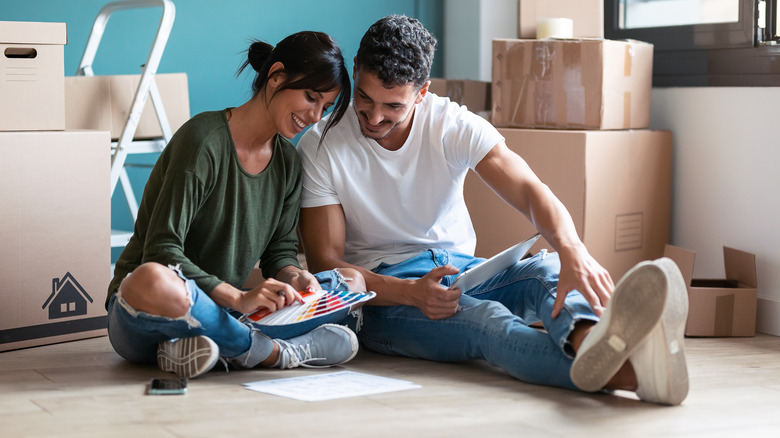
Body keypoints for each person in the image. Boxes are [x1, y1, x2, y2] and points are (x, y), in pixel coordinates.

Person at [297, 15, 689, 405]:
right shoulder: (321, 145)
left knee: (548, 270)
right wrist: (410, 293)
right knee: (486, 323)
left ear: (421, 93)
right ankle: (637, 373)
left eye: (393, 106)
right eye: (364, 98)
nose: (374, 117)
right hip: (384, 297)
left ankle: (592, 340)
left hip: (464, 272)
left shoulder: (449, 123)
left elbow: (529, 190)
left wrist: (574, 251)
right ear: (355, 72)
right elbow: (327, 264)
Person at [106, 31, 368, 379]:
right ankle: (270, 352)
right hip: (149, 309)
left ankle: (202, 347)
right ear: (276, 76)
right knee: (152, 279)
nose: (315, 116)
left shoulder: (288, 164)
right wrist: (237, 298)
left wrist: (296, 277)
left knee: (350, 281)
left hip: (226, 310)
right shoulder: (203, 141)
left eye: (325, 107)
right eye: (311, 97)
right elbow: (161, 251)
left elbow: (280, 255)